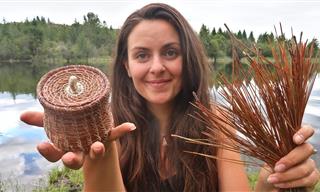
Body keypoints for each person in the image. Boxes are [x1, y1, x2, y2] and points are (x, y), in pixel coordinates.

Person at [20, 3, 319, 191]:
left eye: (170, 52)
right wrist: (101, 146)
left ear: (187, 58)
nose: (157, 67)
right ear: (126, 65)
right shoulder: (106, 129)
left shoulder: (218, 122)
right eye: (141, 55)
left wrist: (271, 181)